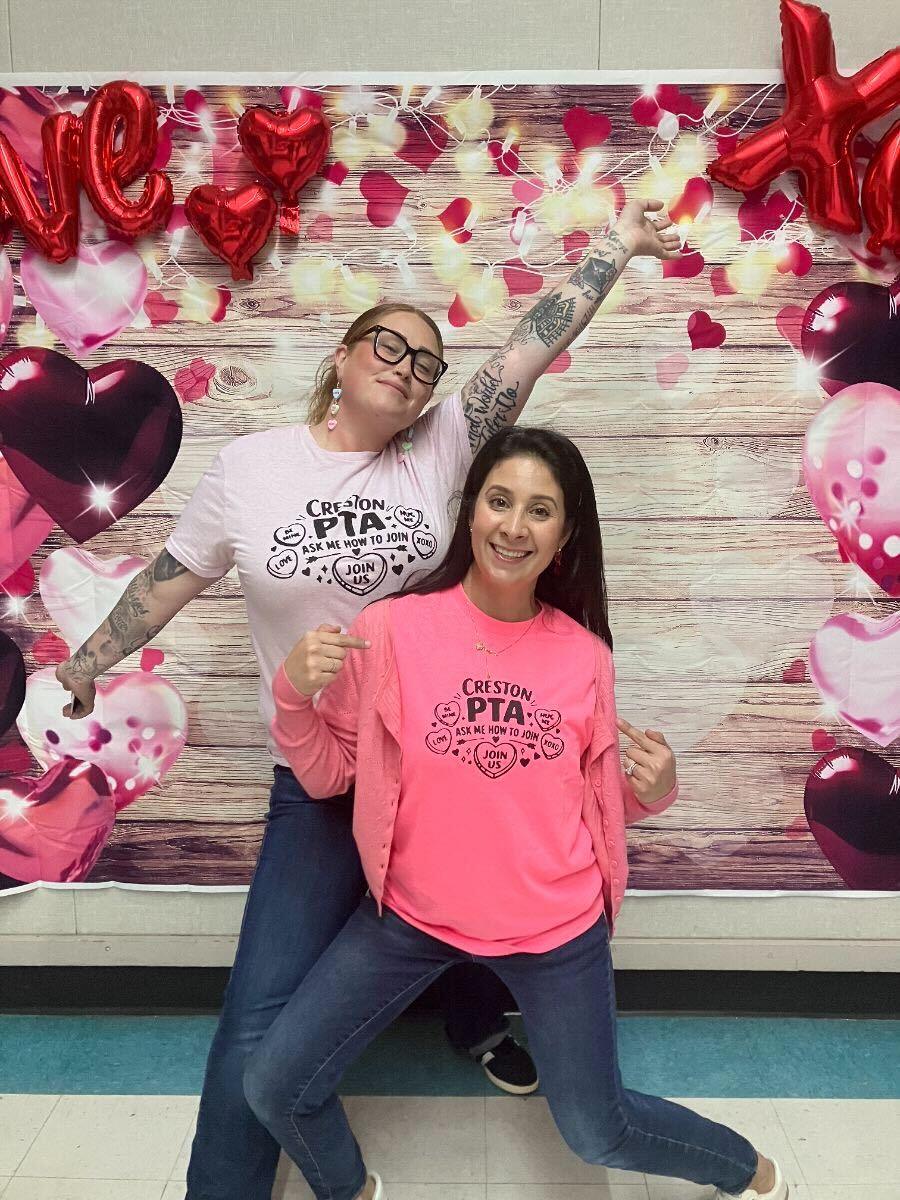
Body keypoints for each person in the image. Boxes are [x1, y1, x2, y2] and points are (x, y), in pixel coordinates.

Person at [55, 200, 683, 1200]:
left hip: (439, 759)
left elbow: (529, 348)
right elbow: (170, 579)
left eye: (427, 361)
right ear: (342, 359)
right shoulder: (250, 469)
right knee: (260, 1016)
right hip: (320, 768)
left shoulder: (442, 449)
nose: (407, 365)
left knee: (478, 895)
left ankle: (475, 1018)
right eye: (387, 344)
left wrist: (617, 246)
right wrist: (89, 661)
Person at [247, 427, 790, 1200]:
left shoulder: (585, 657)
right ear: (471, 512)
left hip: (554, 931)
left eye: (540, 510)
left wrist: (655, 789)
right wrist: (295, 696)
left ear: (564, 537)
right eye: (499, 501)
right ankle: (351, 1190)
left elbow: (588, 805)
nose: (513, 526)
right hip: (411, 918)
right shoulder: (390, 630)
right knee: (274, 1083)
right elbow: (334, 774)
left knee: (598, 1131)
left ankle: (751, 1171)